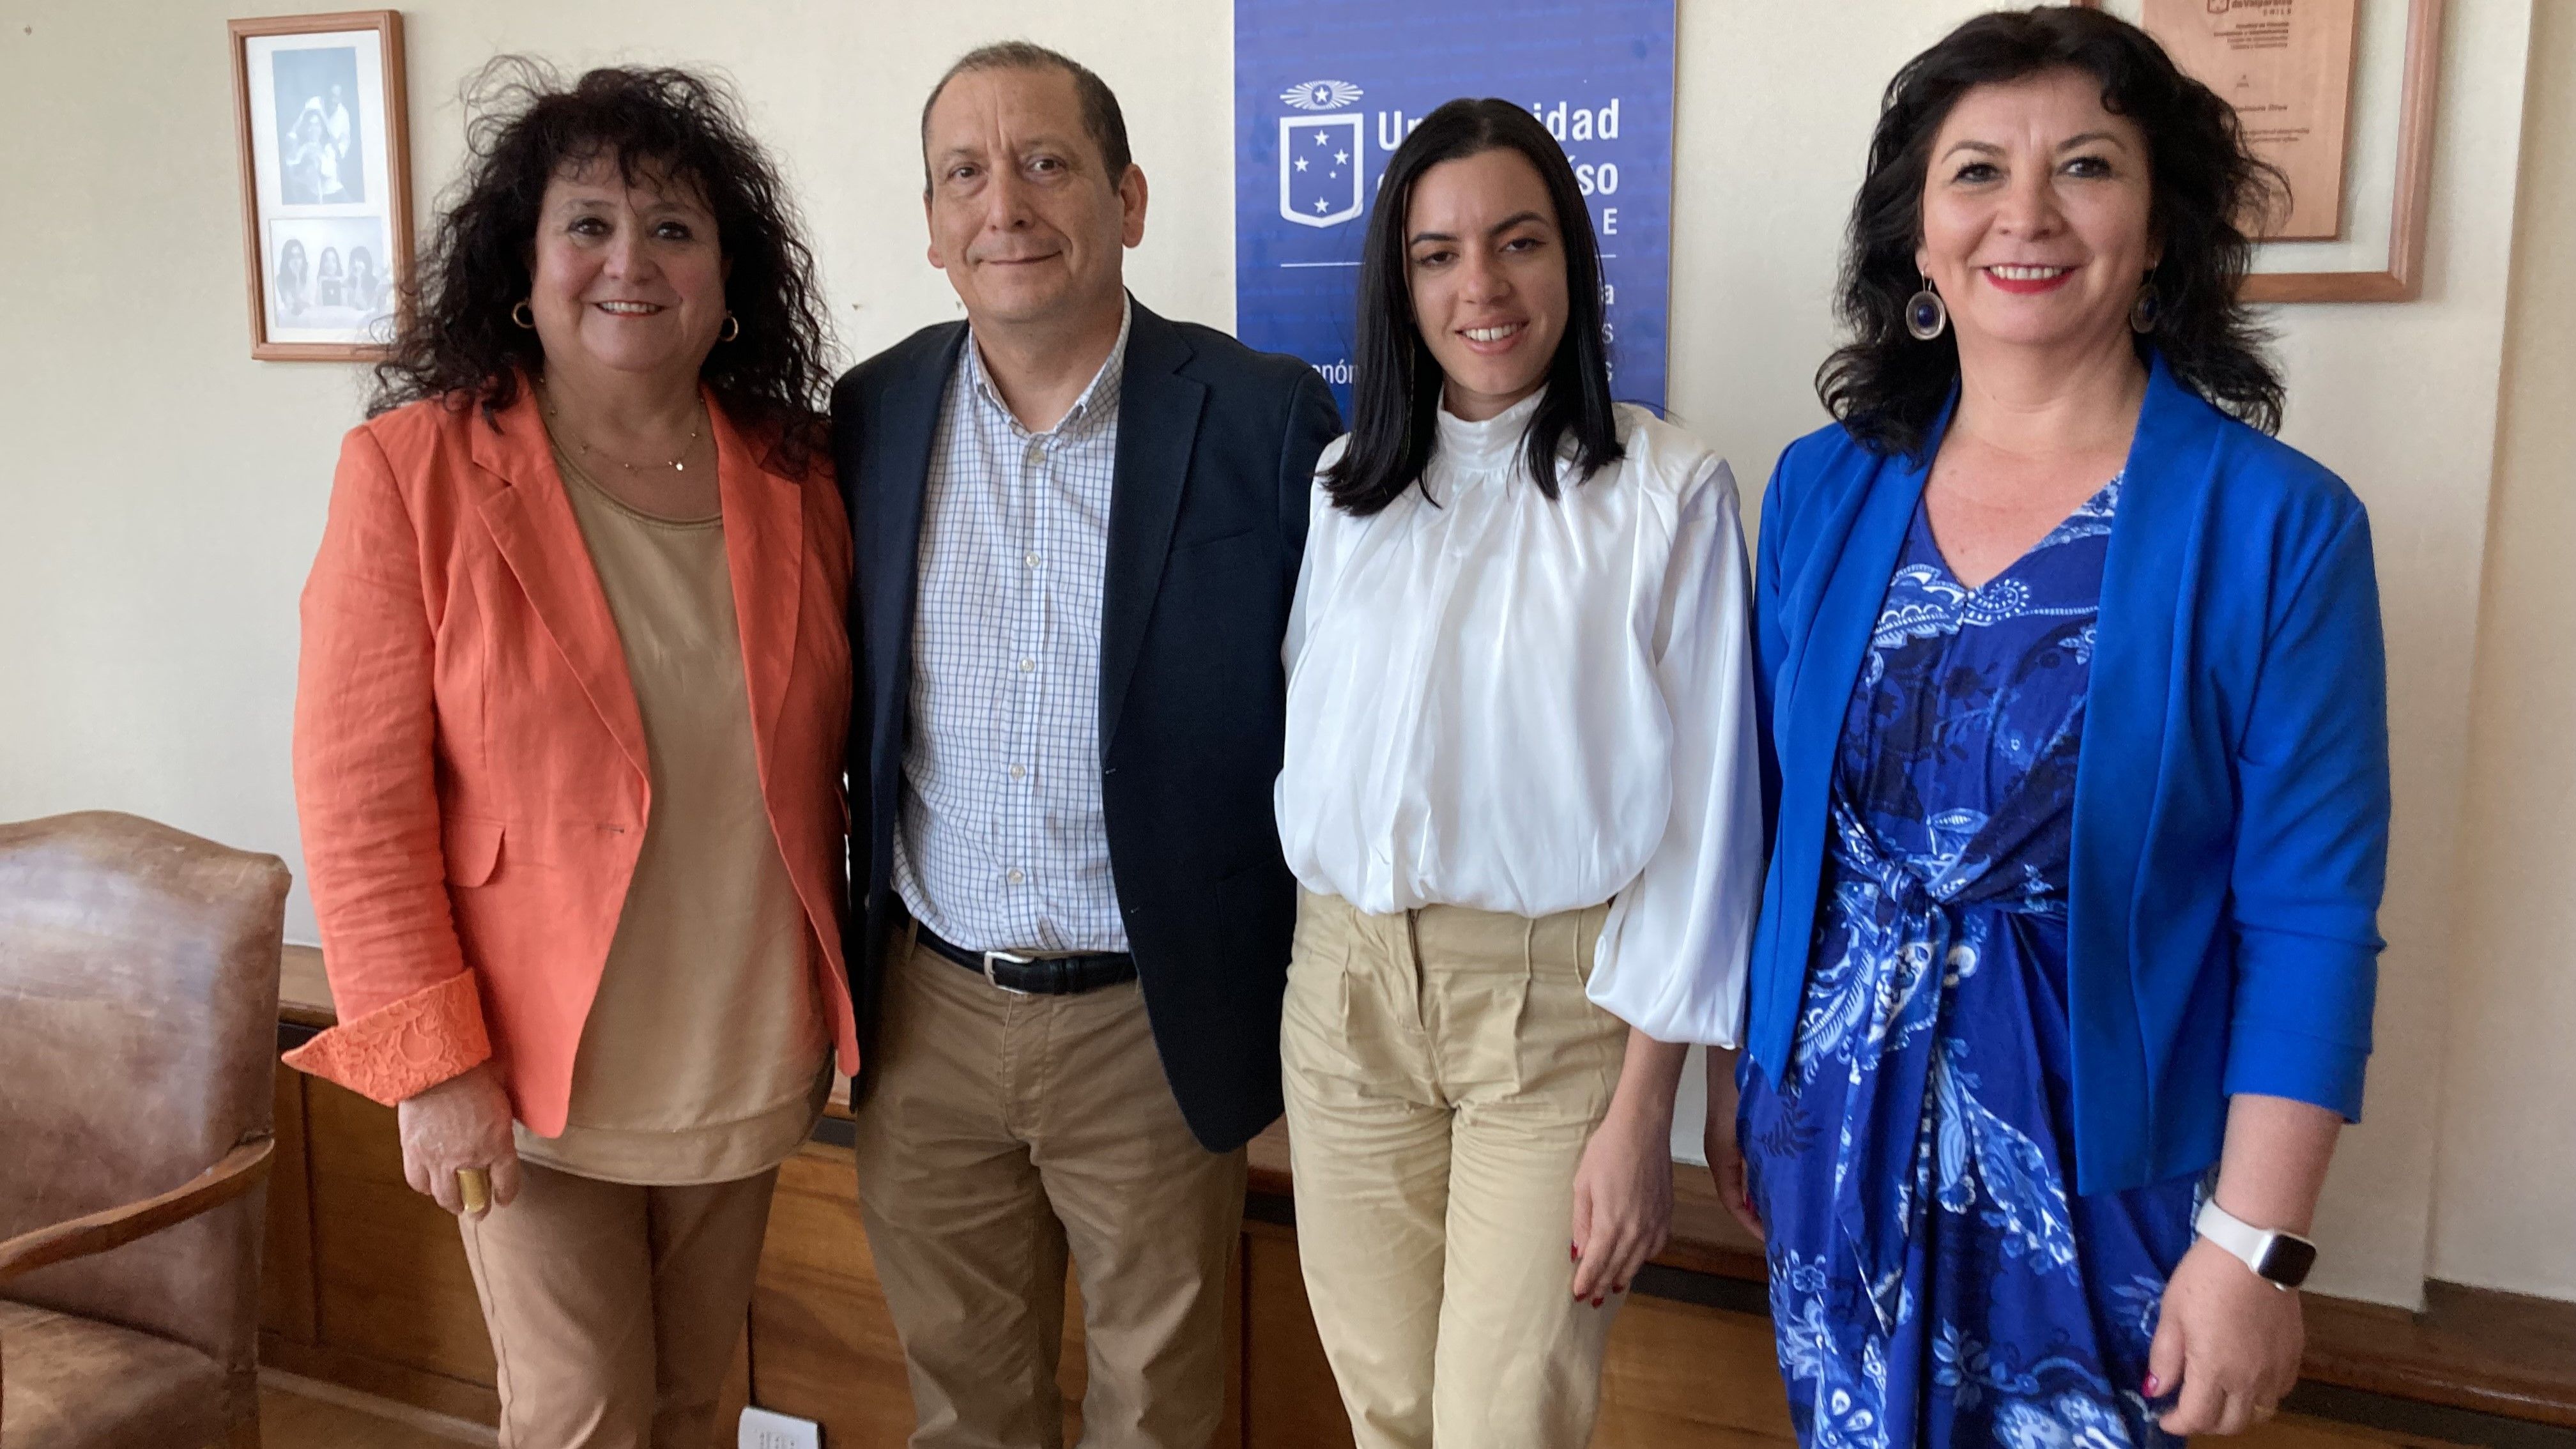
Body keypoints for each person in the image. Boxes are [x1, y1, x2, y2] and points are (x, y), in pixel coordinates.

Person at [1708, 9, 2390, 1445]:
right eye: (1975, 171)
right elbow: (1769, 829)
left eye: (2085, 165)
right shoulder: (1820, 489)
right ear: (1917, 238)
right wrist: (1740, 1081)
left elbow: (2311, 919)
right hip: (1834, 1140)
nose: (2025, 213)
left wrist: (2255, 1247)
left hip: (2111, 1188)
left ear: (2160, 230)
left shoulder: (2279, 528)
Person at [284, 63, 854, 1448]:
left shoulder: (802, 471)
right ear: (521, 269)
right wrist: (432, 1069)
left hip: (741, 1042)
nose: (629, 263)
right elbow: (357, 804)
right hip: (527, 1064)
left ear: (728, 278)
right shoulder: (411, 472)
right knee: (581, 1413)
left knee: (693, 1404)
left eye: (673, 229)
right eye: (587, 224)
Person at [832, 42, 1338, 1449]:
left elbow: (1331, 723)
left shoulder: (1263, 417)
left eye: (1046, 163)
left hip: (1149, 1019)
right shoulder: (870, 415)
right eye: (965, 174)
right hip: (927, 1013)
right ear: (931, 228)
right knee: (961, 1410)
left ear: (1128, 198)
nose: (1005, 204)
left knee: (1157, 1417)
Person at [1275, 98, 1765, 1449]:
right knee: (1387, 1413)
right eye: (1437, 255)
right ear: (1399, 285)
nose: (1479, 286)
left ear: (1573, 262)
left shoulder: (1668, 492)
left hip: (1553, 1017)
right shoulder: (1343, 489)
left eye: (1517, 242)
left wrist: (1645, 1111)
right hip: (1344, 992)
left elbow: (1709, 830)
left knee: (1505, 1427)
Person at [273, 238, 309, 318]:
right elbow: (291, 306)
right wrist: (296, 277)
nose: (296, 261)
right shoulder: (280, 280)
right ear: (286, 260)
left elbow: (310, 305)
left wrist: (298, 277)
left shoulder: (309, 279)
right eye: (292, 257)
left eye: (299, 256)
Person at [316, 245, 344, 309]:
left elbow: (345, 306)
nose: (330, 264)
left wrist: (341, 284)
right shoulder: (320, 281)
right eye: (326, 260)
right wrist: (320, 283)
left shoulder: (342, 281)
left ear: (337, 264)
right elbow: (318, 306)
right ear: (322, 264)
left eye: (333, 261)